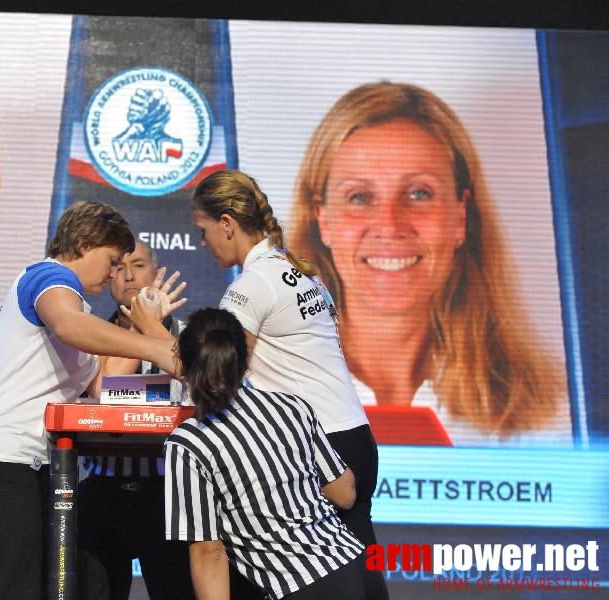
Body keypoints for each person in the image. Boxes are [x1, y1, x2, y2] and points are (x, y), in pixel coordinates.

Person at [287, 81, 569, 446]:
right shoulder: (242, 392)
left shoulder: (545, 413)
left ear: (460, 215)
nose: (390, 224)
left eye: (419, 193)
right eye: (359, 196)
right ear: (322, 218)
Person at [0, 201, 180, 600]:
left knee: (85, 584)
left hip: (35, 463)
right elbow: (68, 324)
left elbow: (108, 389)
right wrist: (157, 349)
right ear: (84, 243)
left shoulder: (79, 312)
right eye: (111, 260)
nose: (114, 274)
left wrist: (149, 325)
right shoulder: (49, 277)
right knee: (13, 589)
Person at [184, 168, 388, 599]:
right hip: (355, 437)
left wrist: (152, 336)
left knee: (304, 576)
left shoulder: (252, 285)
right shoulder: (297, 269)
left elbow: (218, 371)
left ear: (226, 224)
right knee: (357, 570)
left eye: (203, 230)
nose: (202, 243)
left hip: (323, 450)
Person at [164, 307, 366, 600]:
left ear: (181, 363)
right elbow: (344, 492)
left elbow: (209, 553)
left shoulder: (189, 443)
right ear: (245, 360)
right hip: (349, 568)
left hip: (297, 585)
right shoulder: (291, 407)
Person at [77, 240, 195, 600]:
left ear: (157, 270)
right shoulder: (87, 334)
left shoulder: (189, 338)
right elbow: (90, 400)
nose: (128, 276)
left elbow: (195, 404)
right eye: (119, 267)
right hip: (103, 491)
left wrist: (151, 330)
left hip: (167, 495)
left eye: (139, 265)